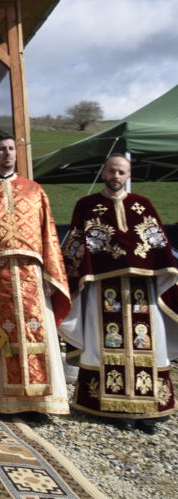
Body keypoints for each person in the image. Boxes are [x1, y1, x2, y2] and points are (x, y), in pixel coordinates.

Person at [60, 154, 178, 432]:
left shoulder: (143, 205)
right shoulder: (87, 206)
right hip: (103, 290)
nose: (116, 176)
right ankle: (111, 407)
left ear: (128, 175)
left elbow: (158, 243)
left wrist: (167, 269)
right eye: (112, 171)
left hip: (142, 290)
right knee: (105, 343)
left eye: (121, 172)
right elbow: (75, 244)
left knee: (148, 343)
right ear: (104, 173)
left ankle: (149, 410)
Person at [0, 130, 71, 416]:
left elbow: (49, 235)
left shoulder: (35, 190)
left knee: (37, 332)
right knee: (0, 334)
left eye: (11, 148)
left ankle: (41, 401)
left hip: (31, 273)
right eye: (1, 149)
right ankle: (0, 400)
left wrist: (52, 275)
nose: (7, 153)